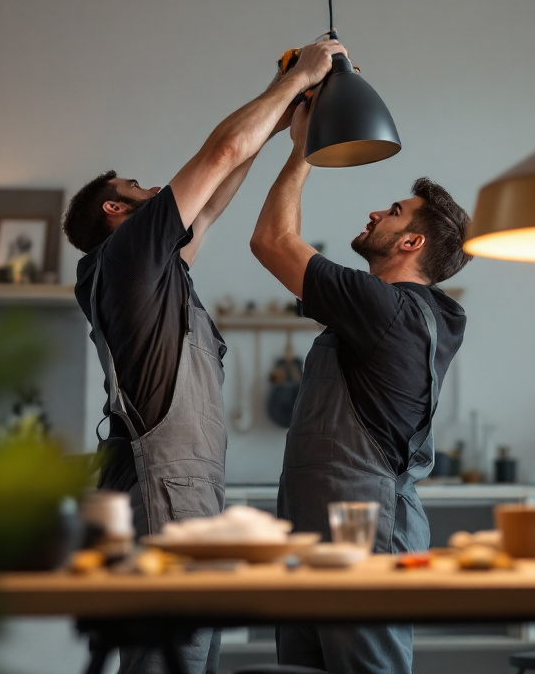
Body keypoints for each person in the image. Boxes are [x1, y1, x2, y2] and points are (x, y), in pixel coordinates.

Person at [63, 38, 345, 674]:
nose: (157, 187)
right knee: (168, 664)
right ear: (116, 210)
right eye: (136, 186)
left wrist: (290, 130)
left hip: (183, 490)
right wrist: (300, 73)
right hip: (162, 489)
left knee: (189, 661)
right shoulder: (128, 255)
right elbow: (217, 155)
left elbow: (216, 194)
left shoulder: (151, 270)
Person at [249, 96, 473, 674]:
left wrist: (303, 148)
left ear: (411, 243)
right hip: (322, 521)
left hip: (359, 525)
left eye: (394, 212)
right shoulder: (407, 313)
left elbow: (272, 241)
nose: (376, 213)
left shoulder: (385, 307)